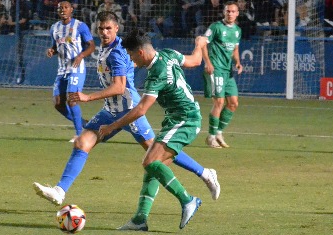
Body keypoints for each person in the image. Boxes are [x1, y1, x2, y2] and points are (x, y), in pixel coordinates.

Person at [33, 12, 220, 215]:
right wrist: (200, 45)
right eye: (101, 29)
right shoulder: (110, 49)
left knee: (158, 153)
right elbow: (193, 60)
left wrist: (87, 97)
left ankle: (204, 174)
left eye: (108, 29)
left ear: (116, 29)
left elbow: (119, 87)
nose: (104, 33)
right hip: (110, 110)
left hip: (129, 110)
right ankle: (60, 191)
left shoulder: (118, 52)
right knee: (82, 143)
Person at [96, 29, 211, 231]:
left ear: (140, 53)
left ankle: (188, 200)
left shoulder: (155, 74)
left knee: (149, 161)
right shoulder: (168, 53)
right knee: (154, 167)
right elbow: (195, 61)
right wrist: (200, 45)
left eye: (131, 55)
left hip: (186, 119)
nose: (131, 60)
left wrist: (111, 127)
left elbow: (141, 110)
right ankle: (140, 219)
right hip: (176, 119)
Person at [46, 0, 96, 138]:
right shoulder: (54, 28)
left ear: (71, 10)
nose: (62, 10)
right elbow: (55, 46)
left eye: (65, 7)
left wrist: (81, 55)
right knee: (58, 104)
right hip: (62, 70)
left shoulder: (80, 26)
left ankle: (79, 134)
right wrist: (51, 50)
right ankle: (85, 124)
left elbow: (91, 46)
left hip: (76, 68)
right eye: (60, 8)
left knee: (72, 99)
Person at [199, 1, 243, 149]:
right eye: (228, 11)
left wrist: (237, 62)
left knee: (233, 103)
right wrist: (207, 62)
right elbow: (203, 43)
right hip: (216, 69)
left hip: (228, 70)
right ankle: (211, 137)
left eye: (233, 11)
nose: (230, 14)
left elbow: (235, 49)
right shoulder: (216, 27)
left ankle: (218, 132)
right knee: (219, 102)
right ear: (224, 12)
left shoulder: (237, 30)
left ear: (237, 13)